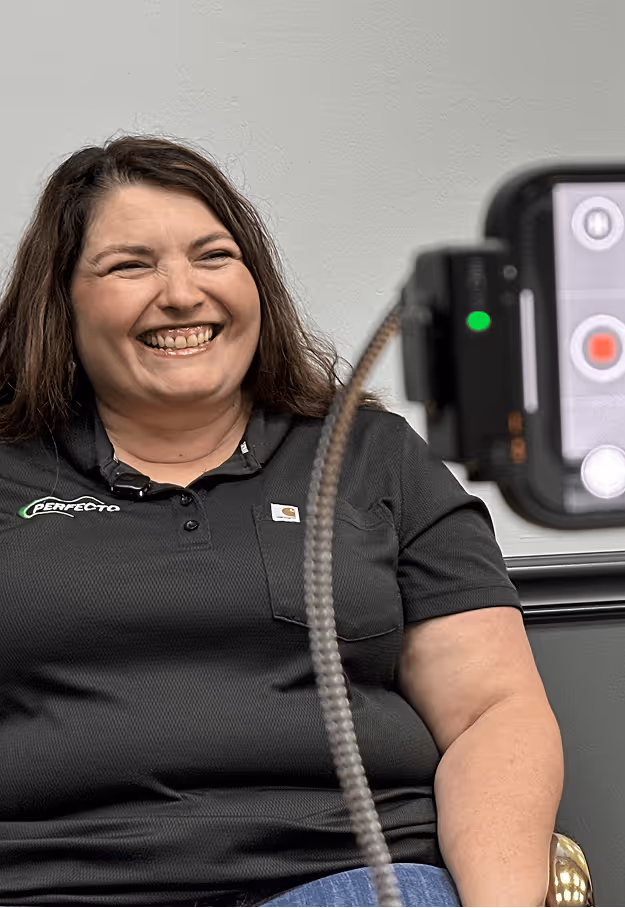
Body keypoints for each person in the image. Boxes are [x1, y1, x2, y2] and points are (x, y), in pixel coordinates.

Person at [0, 136, 563, 907]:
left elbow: (490, 712)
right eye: (131, 266)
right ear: (61, 300)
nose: (181, 293)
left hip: (342, 880)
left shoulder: (371, 455)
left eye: (214, 256)